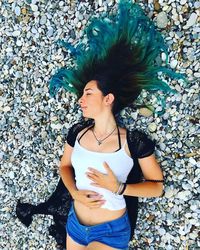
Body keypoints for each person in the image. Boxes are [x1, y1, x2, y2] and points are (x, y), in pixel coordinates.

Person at [16, 1, 186, 249]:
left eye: (88, 93)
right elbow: (64, 166)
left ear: (108, 99)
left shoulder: (132, 142)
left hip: (110, 231)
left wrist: (118, 187)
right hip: (75, 224)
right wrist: (74, 193)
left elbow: (157, 188)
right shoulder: (77, 132)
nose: (80, 100)